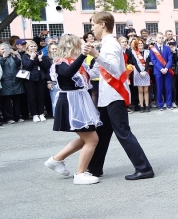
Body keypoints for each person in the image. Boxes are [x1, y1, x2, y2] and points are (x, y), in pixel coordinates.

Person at [83, 12, 154, 180]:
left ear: (102, 24)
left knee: (123, 132)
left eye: (93, 24)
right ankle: (94, 168)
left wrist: (96, 56)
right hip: (108, 96)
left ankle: (144, 168)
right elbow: (101, 70)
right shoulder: (105, 44)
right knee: (102, 133)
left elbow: (114, 70)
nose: (92, 29)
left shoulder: (111, 45)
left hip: (114, 95)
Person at [44, 34, 102, 185]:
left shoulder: (77, 63)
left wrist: (96, 56)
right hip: (71, 101)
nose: (82, 47)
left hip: (80, 101)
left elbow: (92, 75)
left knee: (86, 138)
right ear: (72, 46)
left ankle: (56, 160)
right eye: (80, 44)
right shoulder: (60, 62)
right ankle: (80, 173)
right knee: (92, 139)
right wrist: (83, 56)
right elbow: (67, 73)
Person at [20, 41, 50, 122]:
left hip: (40, 78)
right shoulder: (25, 56)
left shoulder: (39, 54)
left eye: (34, 46)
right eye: (31, 46)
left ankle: (41, 113)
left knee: (41, 96)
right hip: (30, 79)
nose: (33, 48)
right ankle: (35, 114)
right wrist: (32, 58)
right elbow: (27, 67)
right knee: (32, 97)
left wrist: (40, 59)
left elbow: (44, 67)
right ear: (27, 48)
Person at [0, 43, 26, 123]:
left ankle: (17, 116)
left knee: (17, 100)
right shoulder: (1, 58)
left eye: (6, 48)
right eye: (2, 49)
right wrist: (3, 58)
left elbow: (19, 64)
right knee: (7, 101)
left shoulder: (13, 56)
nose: (4, 50)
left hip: (16, 81)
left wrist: (14, 56)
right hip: (5, 82)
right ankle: (8, 118)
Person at [150, 33, 173, 111]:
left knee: (168, 88)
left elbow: (170, 59)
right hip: (158, 71)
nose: (161, 39)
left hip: (167, 71)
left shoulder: (167, 48)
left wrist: (166, 68)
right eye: (159, 38)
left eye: (162, 38)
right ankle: (160, 105)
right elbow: (153, 60)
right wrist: (161, 69)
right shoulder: (153, 48)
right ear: (156, 39)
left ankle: (169, 104)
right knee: (159, 88)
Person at [130, 39, 151, 113]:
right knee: (140, 90)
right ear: (136, 45)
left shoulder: (147, 52)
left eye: (141, 43)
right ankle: (141, 106)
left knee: (146, 90)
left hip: (145, 71)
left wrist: (145, 71)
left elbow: (148, 62)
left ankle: (147, 105)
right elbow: (135, 63)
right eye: (139, 44)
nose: (140, 45)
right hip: (138, 71)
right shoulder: (134, 52)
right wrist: (140, 72)